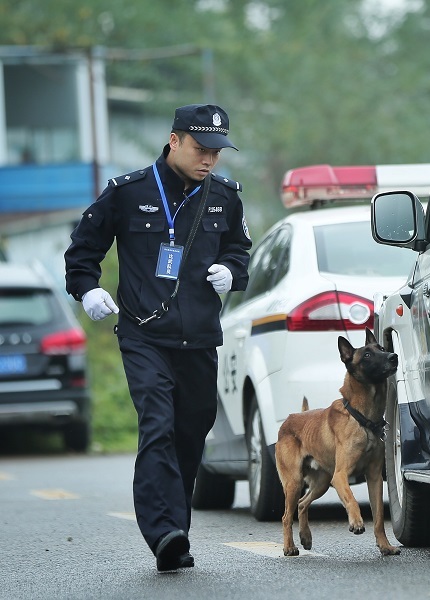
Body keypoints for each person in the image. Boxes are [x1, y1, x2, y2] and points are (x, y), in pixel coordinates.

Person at [64, 104, 252, 572]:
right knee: (158, 424)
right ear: (174, 141)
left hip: (200, 338)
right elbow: (82, 250)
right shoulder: (128, 192)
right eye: (201, 149)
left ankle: (174, 531)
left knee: (191, 431)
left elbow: (239, 249)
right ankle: (163, 531)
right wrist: (87, 289)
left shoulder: (225, 196)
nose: (209, 159)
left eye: (217, 152)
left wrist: (231, 270)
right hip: (144, 335)